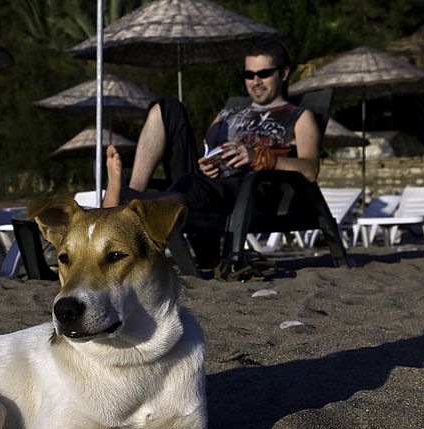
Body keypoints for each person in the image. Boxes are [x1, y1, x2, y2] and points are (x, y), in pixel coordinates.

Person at [103, 36, 321, 268]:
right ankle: (132, 192)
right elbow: (206, 150)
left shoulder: (298, 116)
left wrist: (258, 157)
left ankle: (130, 202)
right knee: (167, 107)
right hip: (208, 183)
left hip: (248, 189)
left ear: (284, 73)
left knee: (195, 185)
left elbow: (310, 169)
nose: (255, 81)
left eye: (264, 74)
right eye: (249, 75)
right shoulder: (229, 112)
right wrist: (206, 160)